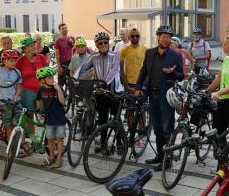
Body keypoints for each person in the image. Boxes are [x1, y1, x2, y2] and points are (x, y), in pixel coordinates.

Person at [135, 25, 184, 171]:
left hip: (166, 97)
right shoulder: (149, 53)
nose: (166, 39)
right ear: (158, 37)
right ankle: (160, 155)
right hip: (152, 94)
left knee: (166, 128)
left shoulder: (175, 55)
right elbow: (143, 71)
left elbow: (181, 75)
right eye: (163, 36)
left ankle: (167, 160)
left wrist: (172, 73)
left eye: (168, 37)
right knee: (156, 128)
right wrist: (138, 88)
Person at [76, 32, 123, 153]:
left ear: (108, 42)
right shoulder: (94, 57)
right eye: (100, 43)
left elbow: (114, 71)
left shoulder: (114, 55)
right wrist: (75, 79)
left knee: (116, 118)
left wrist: (103, 83)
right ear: (96, 44)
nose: (103, 44)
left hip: (113, 92)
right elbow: (82, 68)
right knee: (102, 119)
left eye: (105, 42)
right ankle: (103, 143)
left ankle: (119, 143)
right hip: (100, 93)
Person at [119, 28, 147, 147]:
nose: (135, 38)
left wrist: (144, 85)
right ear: (129, 37)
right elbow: (121, 71)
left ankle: (141, 135)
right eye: (133, 36)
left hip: (142, 85)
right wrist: (126, 86)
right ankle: (131, 134)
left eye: (137, 36)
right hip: (129, 85)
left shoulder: (145, 50)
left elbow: (148, 69)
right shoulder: (124, 51)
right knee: (130, 111)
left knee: (141, 111)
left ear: (139, 37)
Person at [35, 67, 66, 168]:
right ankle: (52, 157)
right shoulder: (41, 90)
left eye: (52, 77)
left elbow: (63, 102)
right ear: (42, 80)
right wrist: (39, 110)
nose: (52, 79)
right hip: (49, 120)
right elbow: (38, 99)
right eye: (49, 78)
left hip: (59, 119)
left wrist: (58, 90)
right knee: (50, 140)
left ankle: (59, 159)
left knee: (59, 140)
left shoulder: (57, 88)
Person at [16, 38, 47, 135]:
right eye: (31, 46)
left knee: (46, 115)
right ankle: (33, 139)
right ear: (25, 49)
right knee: (29, 116)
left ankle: (48, 140)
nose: (34, 47)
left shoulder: (41, 57)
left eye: (34, 45)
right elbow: (17, 78)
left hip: (42, 91)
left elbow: (46, 74)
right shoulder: (20, 61)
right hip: (27, 92)